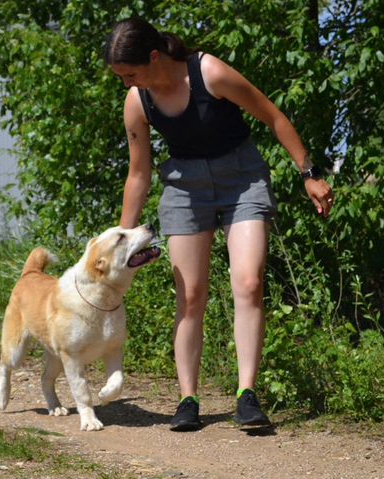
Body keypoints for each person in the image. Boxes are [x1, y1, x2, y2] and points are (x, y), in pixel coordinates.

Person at [103, 18, 334, 431]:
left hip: (241, 180)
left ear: (154, 57)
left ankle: (247, 394)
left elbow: (274, 117)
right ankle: (188, 399)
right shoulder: (138, 101)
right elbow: (139, 173)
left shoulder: (209, 73)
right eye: (121, 77)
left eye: (130, 74)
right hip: (185, 189)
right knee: (190, 295)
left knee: (248, 282)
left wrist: (308, 173)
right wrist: (122, 240)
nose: (126, 84)